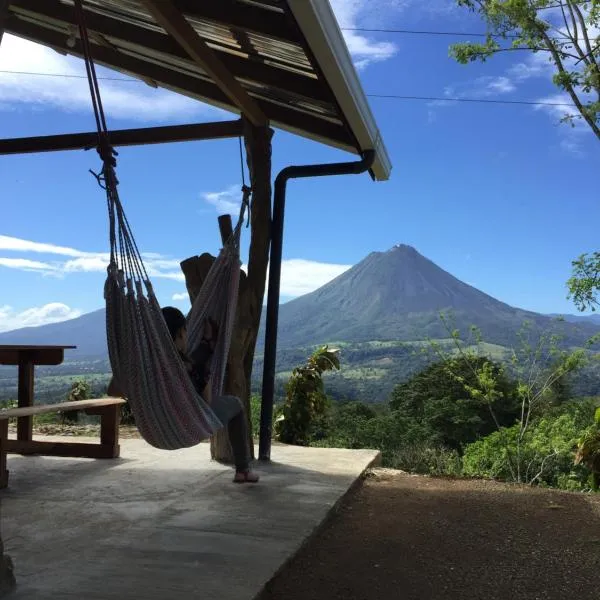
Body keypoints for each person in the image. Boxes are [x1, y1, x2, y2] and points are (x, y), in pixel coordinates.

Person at [161, 306, 259, 484]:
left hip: (159, 422)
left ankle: (207, 343)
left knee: (194, 358)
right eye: (185, 332)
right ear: (180, 334)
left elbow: (114, 389)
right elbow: (206, 404)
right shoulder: (187, 367)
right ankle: (243, 470)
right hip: (189, 421)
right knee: (236, 404)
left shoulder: (152, 362)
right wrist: (207, 377)